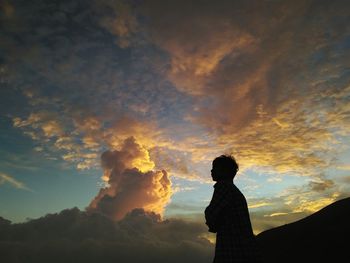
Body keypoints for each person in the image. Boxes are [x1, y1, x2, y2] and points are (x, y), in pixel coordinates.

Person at [205, 155, 260, 263]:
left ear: (224, 171)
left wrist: (209, 215)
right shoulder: (233, 190)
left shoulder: (223, 187)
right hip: (243, 250)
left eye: (215, 167)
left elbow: (212, 215)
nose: (212, 170)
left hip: (232, 250)